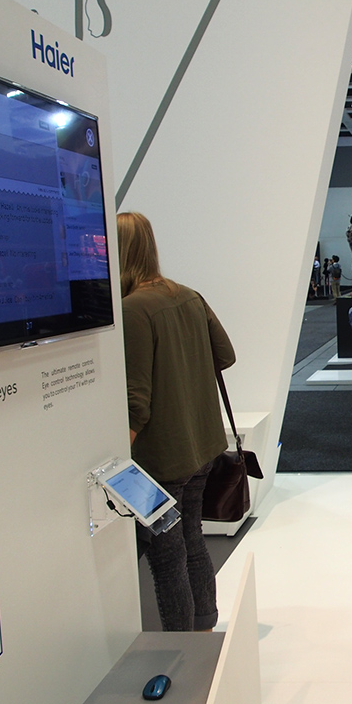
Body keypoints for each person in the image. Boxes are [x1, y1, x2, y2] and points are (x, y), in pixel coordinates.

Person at [118, 211, 235, 633]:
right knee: (192, 541)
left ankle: (181, 648)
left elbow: (137, 402)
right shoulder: (189, 296)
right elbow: (226, 356)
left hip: (161, 460)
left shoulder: (132, 310)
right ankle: (203, 631)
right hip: (202, 446)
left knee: (167, 560)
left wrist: (118, 456)